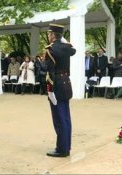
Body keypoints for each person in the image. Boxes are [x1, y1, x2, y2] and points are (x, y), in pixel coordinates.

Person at [45, 24, 76, 157]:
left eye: (49, 34)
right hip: (66, 82)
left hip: (56, 84)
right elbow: (73, 49)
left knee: (59, 118)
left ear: (52, 35)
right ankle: (66, 146)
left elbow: (50, 72)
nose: (48, 36)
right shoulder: (66, 48)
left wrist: (50, 91)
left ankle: (62, 149)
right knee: (66, 117)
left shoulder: (50, 50)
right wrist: (62, 40)